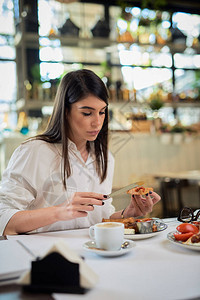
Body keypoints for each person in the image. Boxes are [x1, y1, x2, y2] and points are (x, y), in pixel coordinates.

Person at [0, 69, 161, 235]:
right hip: (45, 255)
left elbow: (98, 220)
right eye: (87, 113)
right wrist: (59, 211)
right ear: (66, 111)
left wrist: (127, 214)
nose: (97, 122)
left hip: (92, 254)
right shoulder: (34, 151)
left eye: (102, 112)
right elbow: (3, 219)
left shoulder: (105, 158)